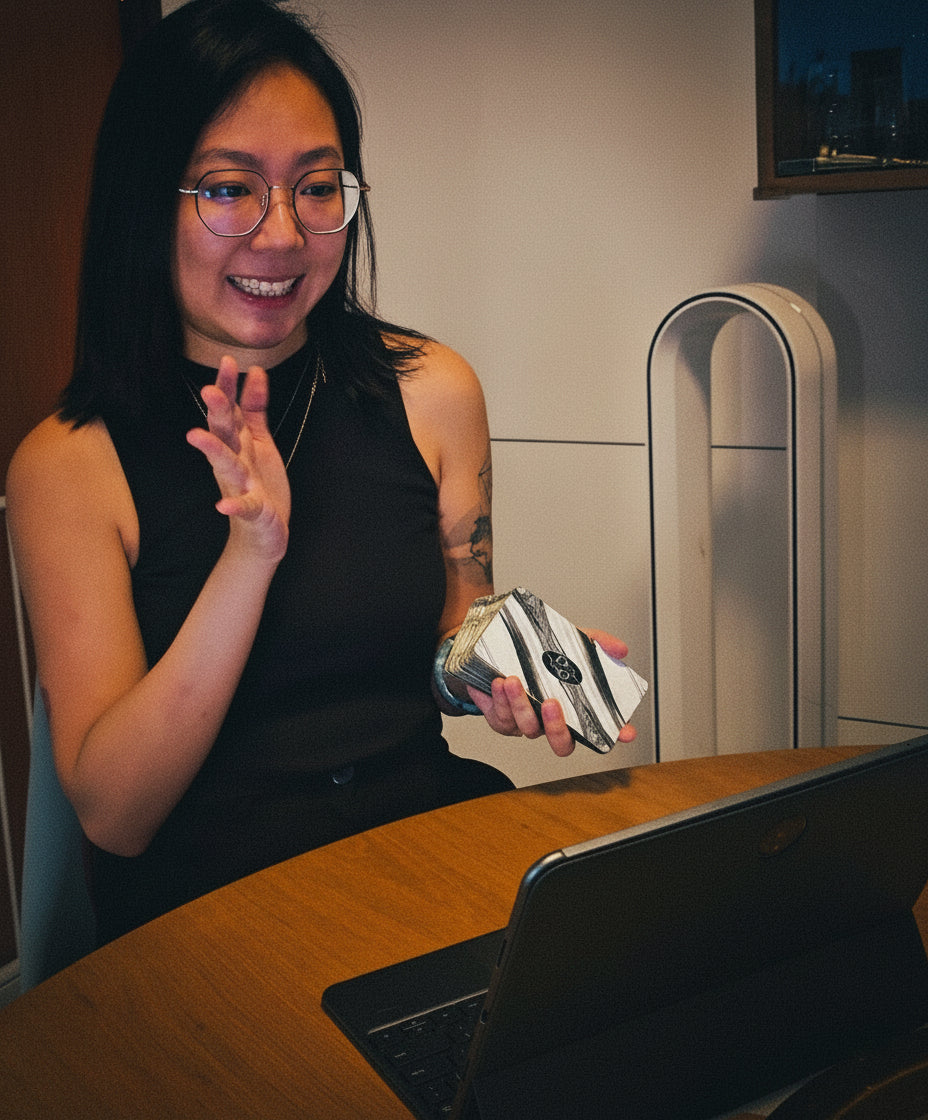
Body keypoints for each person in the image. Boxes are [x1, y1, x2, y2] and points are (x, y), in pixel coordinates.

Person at [6, 0, 635, 945]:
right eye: (229, 189)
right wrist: (250, 557)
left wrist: (497, 669)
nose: (282, 234)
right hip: (216, 911)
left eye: (316, 187)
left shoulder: (433, 391)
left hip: (422, 847)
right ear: (145, 200)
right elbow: (116, 815)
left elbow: (449, 632)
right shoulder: (69, 462)